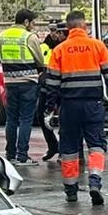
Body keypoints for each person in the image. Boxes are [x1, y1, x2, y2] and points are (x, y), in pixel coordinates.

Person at [44, 10, 108, 206]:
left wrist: (50, 108)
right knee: (96, 146)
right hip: (93, 105)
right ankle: (95, 182)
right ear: (85, 27)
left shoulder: (59, 50)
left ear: (68, 29)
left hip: (69, 106)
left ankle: (71, 191)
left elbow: (51, 84)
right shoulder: (97, 46)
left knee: (68, 149)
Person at [0, 9, 44, 164]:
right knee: (26, 119)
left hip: (10, 82)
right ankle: (22, 155)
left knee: (11, 119)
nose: (34, 26)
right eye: (33, 22)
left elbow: (1, 57)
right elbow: (39, 59)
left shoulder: (2, 36)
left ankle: (10, 154)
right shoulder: (29, 36)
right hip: (28, 82)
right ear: (26, 22)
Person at [34, 24, 65, 162]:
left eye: (57, 31)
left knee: (67, 119)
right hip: (47, 86)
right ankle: (53, 146)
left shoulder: (66, 46)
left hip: (63, 86)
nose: (54, 34)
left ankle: (67, 150)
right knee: (41, 116)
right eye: (52, 31)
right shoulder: (44, 46)